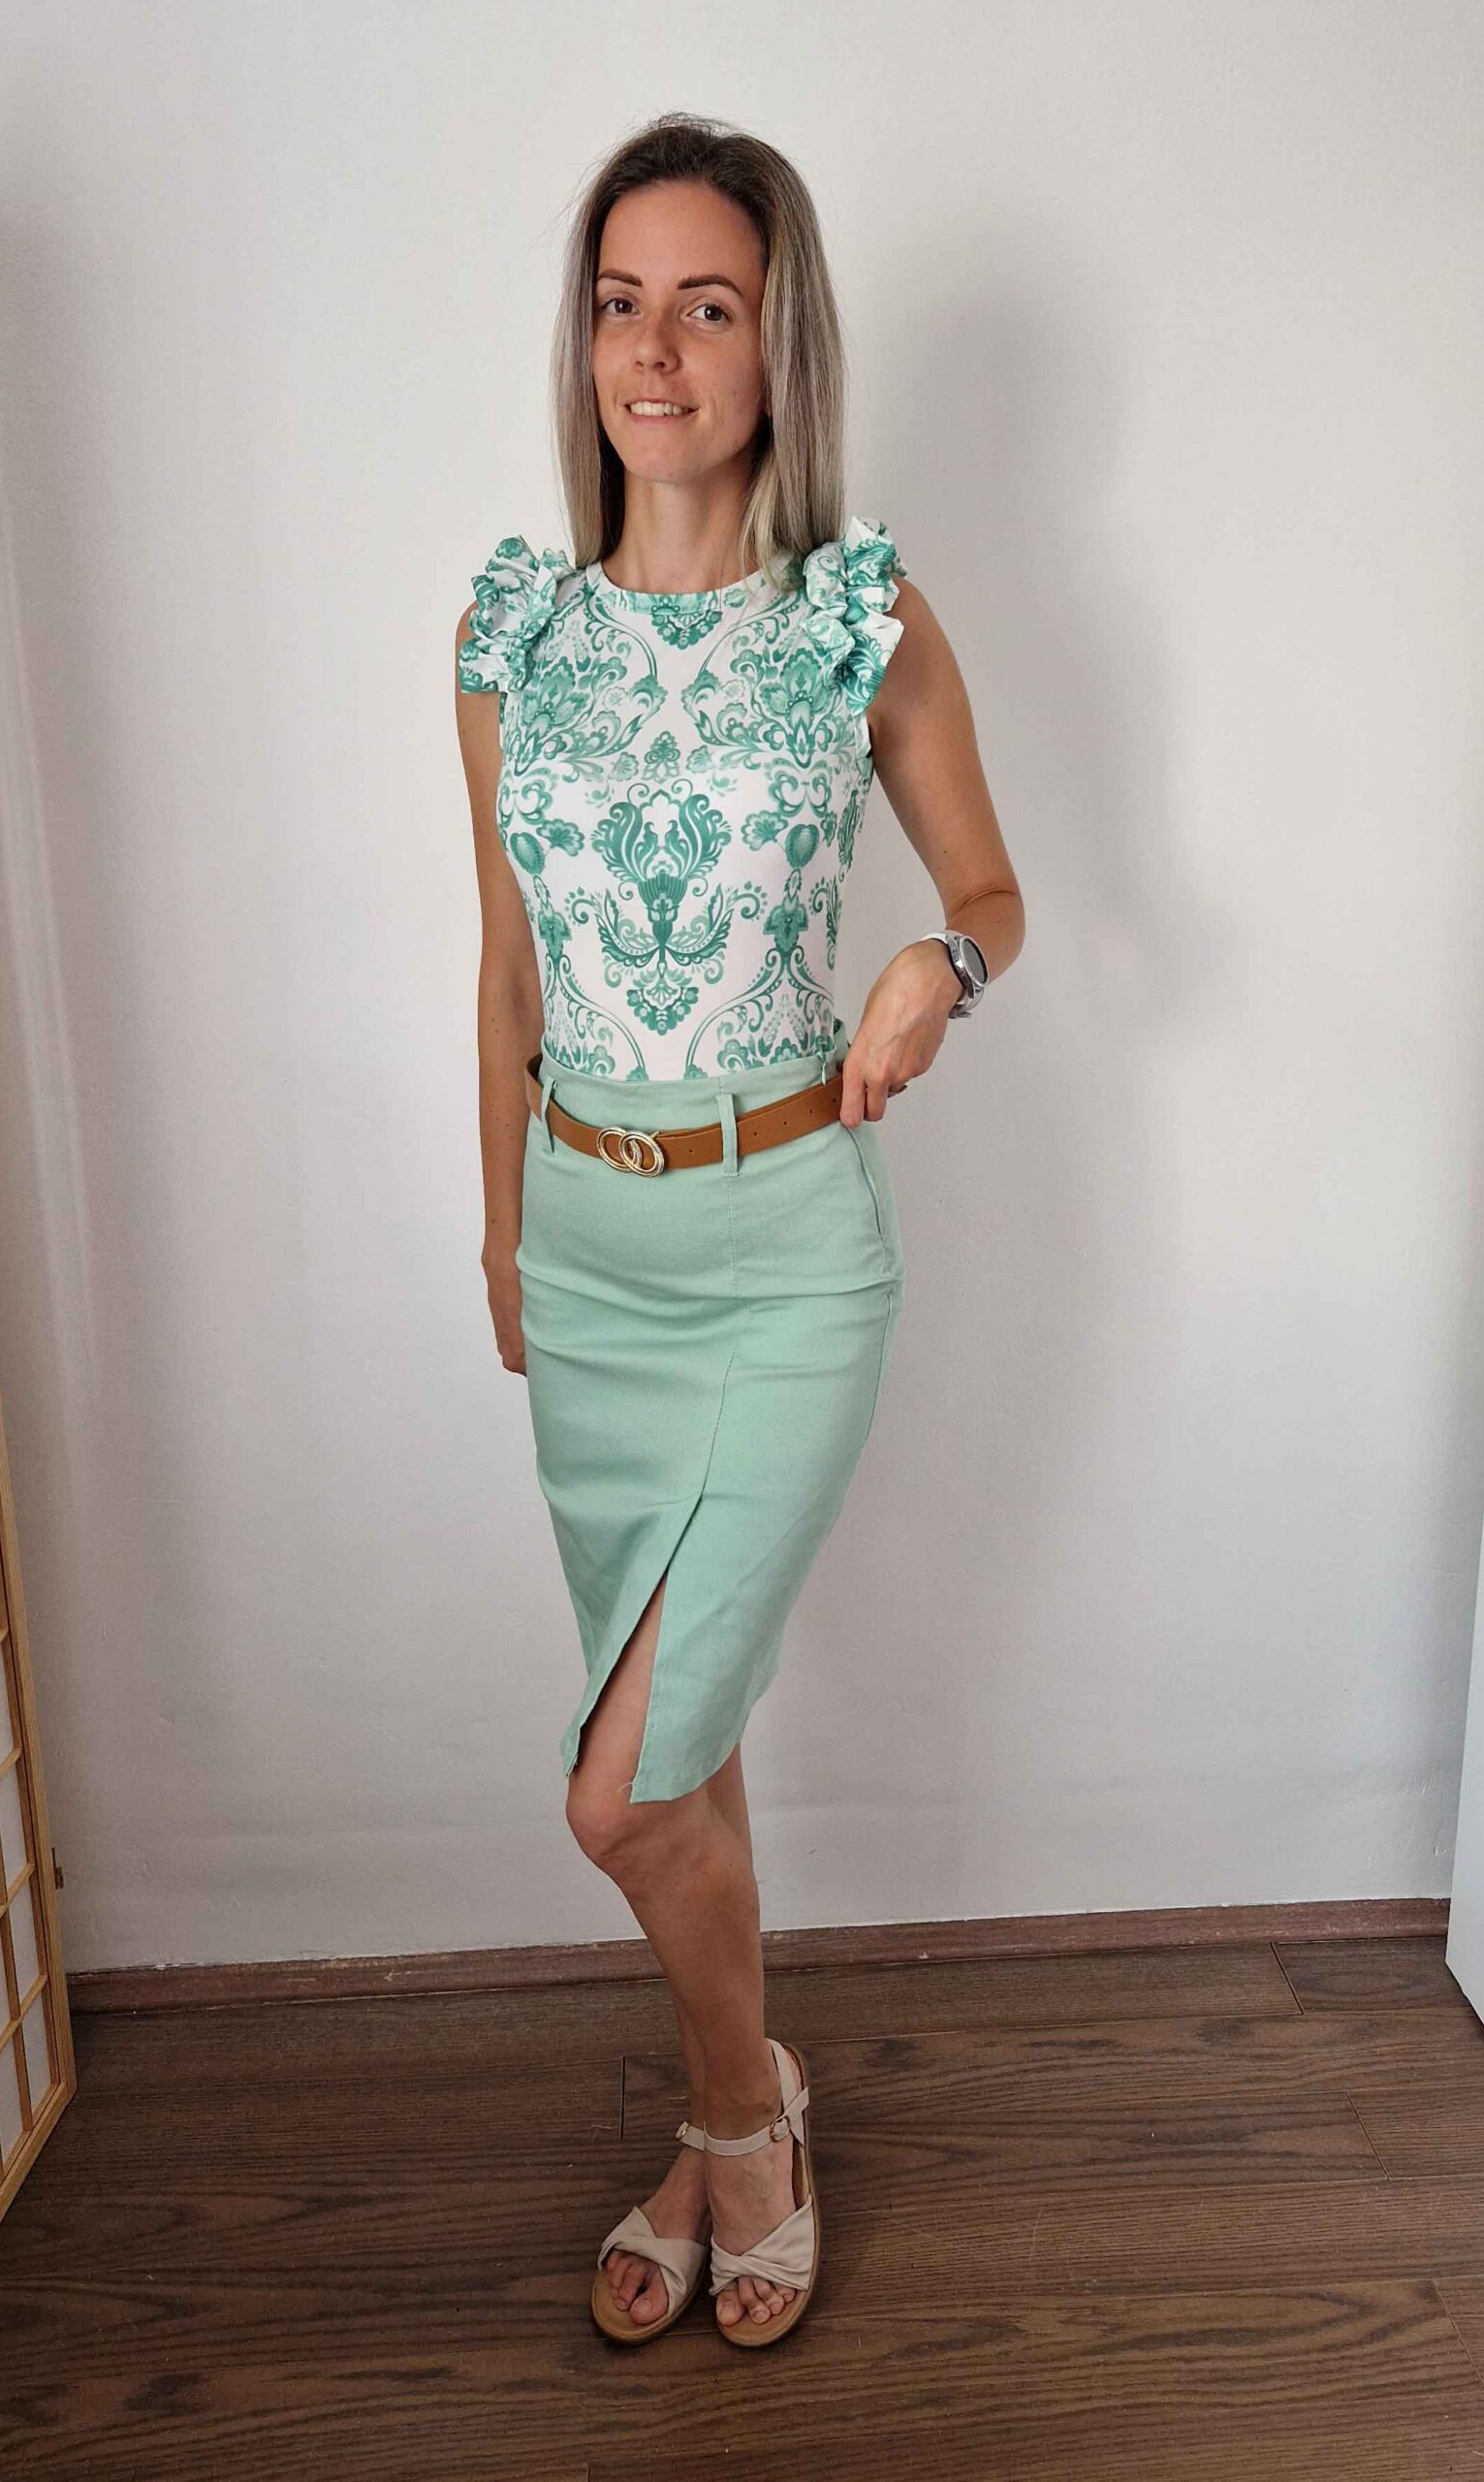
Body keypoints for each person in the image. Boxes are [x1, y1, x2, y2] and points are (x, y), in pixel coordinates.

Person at [454, 111, 1023, 2348]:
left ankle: (743, 2115)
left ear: (781, 344)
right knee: (684, 1760)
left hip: (790, 1243)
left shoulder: (856, 616)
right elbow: (504, 964)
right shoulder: (514, 634)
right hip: (589, 1256)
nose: (656, 352)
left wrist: (936, 972)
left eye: (709, 306)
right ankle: (734, 2116)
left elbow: (993, 892)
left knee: (619, 1791)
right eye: (623, 303)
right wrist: (500, 1224)